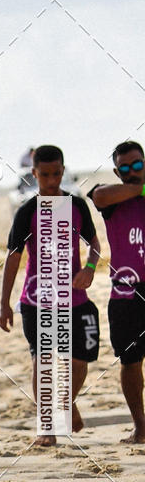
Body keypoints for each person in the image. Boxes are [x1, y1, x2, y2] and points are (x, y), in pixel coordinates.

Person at [0, 144, 101, 446]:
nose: (52, 180)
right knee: (43, 362)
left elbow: (94, 243)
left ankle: (67, 403)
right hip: (36, 301)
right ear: (35, 174)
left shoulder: (77, 205)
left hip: (76, 299)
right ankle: (46, 426)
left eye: (57, 173)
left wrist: (91, 268)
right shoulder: (27, 211)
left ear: (63, 170)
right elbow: (13, 258)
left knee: (79, 362)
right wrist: (4, 304)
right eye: (45, 175)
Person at [88, 140, 145, 442]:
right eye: (126, 168)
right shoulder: (110, 199)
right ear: (117, 170)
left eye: (138, 165)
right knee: (130, 362)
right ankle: (140, 426)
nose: (133, 171)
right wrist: (141, 186)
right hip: (126, 294)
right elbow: (98, 195)